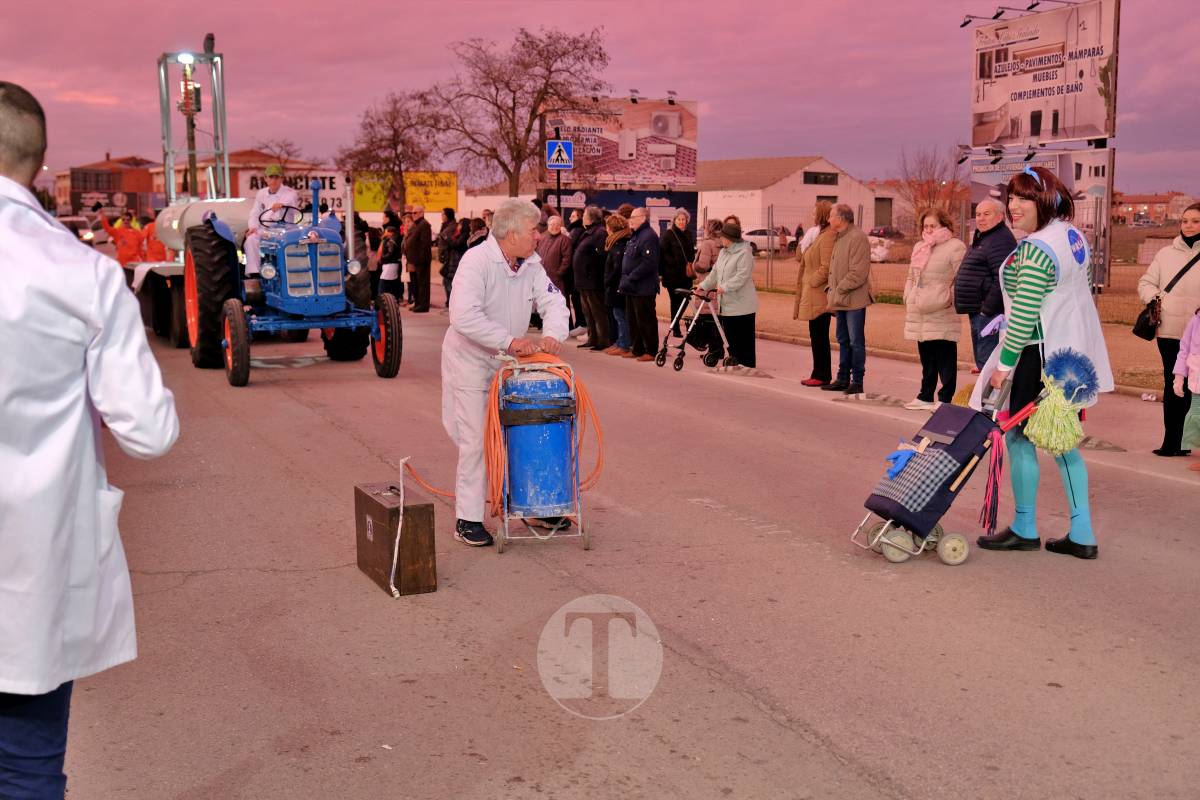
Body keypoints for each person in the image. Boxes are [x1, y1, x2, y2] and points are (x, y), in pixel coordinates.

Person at [0, 81, 179, 797]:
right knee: (28, 766)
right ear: (40, 166)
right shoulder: (85, 273)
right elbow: (151, 432)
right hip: (33, 569)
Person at [974, 165, 1114, 560]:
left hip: (1038, 356)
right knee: (1063, 442)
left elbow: (1023, 316)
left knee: (1019, 438)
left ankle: (1024, 526)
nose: (1013, 207)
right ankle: (1081, 533)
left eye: (1022, 199)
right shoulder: (1070, 236)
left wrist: (1002, 366)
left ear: (1045, 201)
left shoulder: (1037, 248)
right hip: (1067, 356)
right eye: (1010, 200)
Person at [441, 199, 569, 547]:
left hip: (509, 364)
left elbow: (554, 302)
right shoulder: (476, 262)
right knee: (476, 444)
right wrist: (509, 340)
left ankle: (534, 505)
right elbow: (463, 316)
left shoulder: (531, 265)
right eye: (533, 230)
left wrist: (553, 335)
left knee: (525, 432)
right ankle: (468, 519)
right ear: (511, 233)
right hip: (472, 362)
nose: (539, 236)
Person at [1138, 202, 1200, 457]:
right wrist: (1157, 297)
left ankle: (1190, 441)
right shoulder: (1165, 254)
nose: (1189, 225)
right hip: (1171, 330)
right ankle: (1172, 442)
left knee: (1196, 387)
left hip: (1198, 333)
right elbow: (1145, 283)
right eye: (1185, 221)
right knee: (1173, 383)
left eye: (1195, 221)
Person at [903, 208, 967, 410]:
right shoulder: (919, 247)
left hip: (941, 310)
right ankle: (925, 395)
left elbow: (961, 278)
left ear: (944, 225)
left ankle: (945, 398)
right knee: (927, 356)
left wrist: (947, 298)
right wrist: (909, 295)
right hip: (920, 309)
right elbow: (911, 276)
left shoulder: (955, 247)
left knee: (945, 356)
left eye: (933, 225)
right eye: (926, 226)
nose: (929, 229)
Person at [955, 197, 1016, 371]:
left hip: (988, 314)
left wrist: (986, 309)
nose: (980, 218)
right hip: (979, 311)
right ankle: (984, 395)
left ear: (1000, 216)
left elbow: (1003, 277)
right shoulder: (986, 237)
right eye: (978, 214)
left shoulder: (1000, 240)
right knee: (983, 362)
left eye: (986, 214)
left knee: (989, 364)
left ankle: (989, 397)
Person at [822, 204, 872, 395]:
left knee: (855, 341)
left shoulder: (857, 237)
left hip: (854, 300)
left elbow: (858, 272)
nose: (828, 220)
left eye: (831, 216)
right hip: (841, 298)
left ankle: (857, 381)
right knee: (843, 339)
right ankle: (842, 378)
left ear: (841, 218)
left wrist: (839, 289)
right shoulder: (840, 237)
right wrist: (832, 290)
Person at [698, 220, 758, 368]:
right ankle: (735, 361)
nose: (720, 239)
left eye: (723, 237)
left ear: (731, 239)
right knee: (730, 337)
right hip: (727, 304)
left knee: (743, 337)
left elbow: (742, 276)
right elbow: (715, 273)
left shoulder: (745, 253)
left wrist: (724, 287)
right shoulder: (724, 252)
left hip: (742, 304)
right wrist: (702, 286)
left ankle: (747, 364)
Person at [794, 201, 835, 386]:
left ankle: (822, 374)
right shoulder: (815, 234)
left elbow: (827, 266)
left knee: (820, 335)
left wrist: (813, 282)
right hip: (811, 293)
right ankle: (818, 372)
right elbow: (799, 257)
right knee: (815, 334)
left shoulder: (827, 237)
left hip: (819, 293)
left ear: (822, 214)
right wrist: (804, 240)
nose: (812, 215)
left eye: (814, 212)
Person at [619, 207, 661, 362]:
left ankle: (650, 350)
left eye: (633, 217)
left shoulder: (649, 236)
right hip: (632, 287)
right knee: (633, 320)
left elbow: (649, 263)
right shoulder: (635, 236)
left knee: (646, 320)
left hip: (643, 286)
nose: (630, 219)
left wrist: (632, 276)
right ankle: (636, 349)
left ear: (643, 217)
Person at [244, 163, 300, 276]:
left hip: (285, 231)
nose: (274, 180)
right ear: (265, 178)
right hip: (266, 231)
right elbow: (255, 213)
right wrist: (253, 227)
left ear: (281, 179)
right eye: (271, 177)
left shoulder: (290, 193)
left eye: (277, 177)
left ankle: (292, 271)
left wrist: (282, 204)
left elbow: (290, 200)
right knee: (251, 239)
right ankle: (254, 273)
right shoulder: (261, 194)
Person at [571, 207, 610, 350]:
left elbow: (601, 257)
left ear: (591, 218)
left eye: (585, 216)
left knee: (597, 312)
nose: (583, 218)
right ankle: (592, 338)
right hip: (583, 281)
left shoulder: (599, 233)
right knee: (588, 312)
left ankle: (603, 340)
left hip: (592, 280)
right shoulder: (588, 232)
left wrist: (589, 270)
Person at [1171, 307, 1200, 471]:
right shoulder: (1195, 321)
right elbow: (1184, 349)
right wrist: (1179, 377)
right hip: (1197, 380)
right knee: (1197, 418)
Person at [659, 209, 696, 337]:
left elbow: (691, 251)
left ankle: (675, 324)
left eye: (683, 220)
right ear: (674, 220)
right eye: (679, 219)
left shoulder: (688, 234)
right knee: (675, 301)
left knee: (686, 300)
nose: (681, 222)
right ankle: (675, 328)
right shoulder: (668, 234)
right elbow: (662, 253)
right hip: (672, 275)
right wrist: (673, 262)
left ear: (687, 221)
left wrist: (691, 262)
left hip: (686, 275)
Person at [603, 213, 633, 356]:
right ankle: (620, 342)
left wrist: (607, 281)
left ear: (611, 228)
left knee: (620, 317)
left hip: (617, 287)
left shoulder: (619, 245)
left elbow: (616, 269)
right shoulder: (616, 242)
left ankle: (624, 344)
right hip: (616, 287)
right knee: (618, 316)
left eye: (607, 226)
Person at [404, 204, 433, 311]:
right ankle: (418, 303)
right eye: (412, 213)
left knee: (422, 284)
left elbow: (425, 244)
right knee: (416, 284)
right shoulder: (418, 225)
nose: (413, 215)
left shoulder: (424, 224)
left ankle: (423, 306)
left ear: (421, 213)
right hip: (415, 260)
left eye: (415, 213)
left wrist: (421, 259)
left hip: (421, 261)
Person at [536, 215, 574, 295]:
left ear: (561, 226)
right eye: (552, 225)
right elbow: (536, 254)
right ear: (548, 225)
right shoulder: (542, 237)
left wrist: (559, 273)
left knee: (559, 301)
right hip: (542, 277)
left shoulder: (565, 240)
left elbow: (567, 260)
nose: (555, 227)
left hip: (557, 279)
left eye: (558, 225)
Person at [377, 224, 403, 300]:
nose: (384, 233)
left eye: (386, 232)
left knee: (383, 284)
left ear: (390, 232)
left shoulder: (391, 241)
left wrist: (382, 258)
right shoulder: (394, 239)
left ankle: (380, 301)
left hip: (389, 264)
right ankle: (393, 299)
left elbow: (390, 252)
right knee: (391, 284)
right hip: (392, 264)